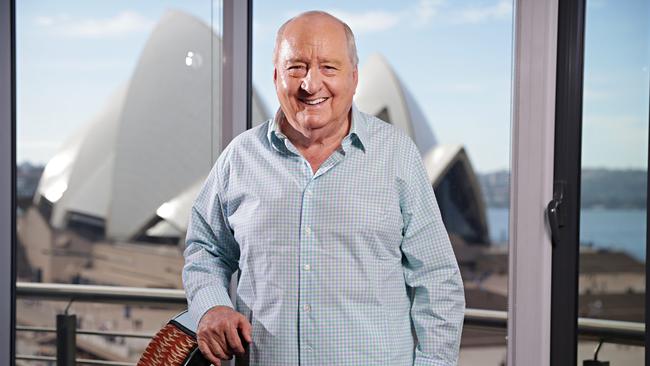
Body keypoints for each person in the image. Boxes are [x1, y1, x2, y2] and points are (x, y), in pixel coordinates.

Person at [183, 10, 465, 366]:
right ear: (275, 76)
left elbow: (437, 280)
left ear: (354, 78)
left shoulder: (397, 155)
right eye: (296, 67)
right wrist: (212, 306)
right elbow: (205, 249)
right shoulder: (239, 157)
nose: (310, 84)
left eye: (328, 68)